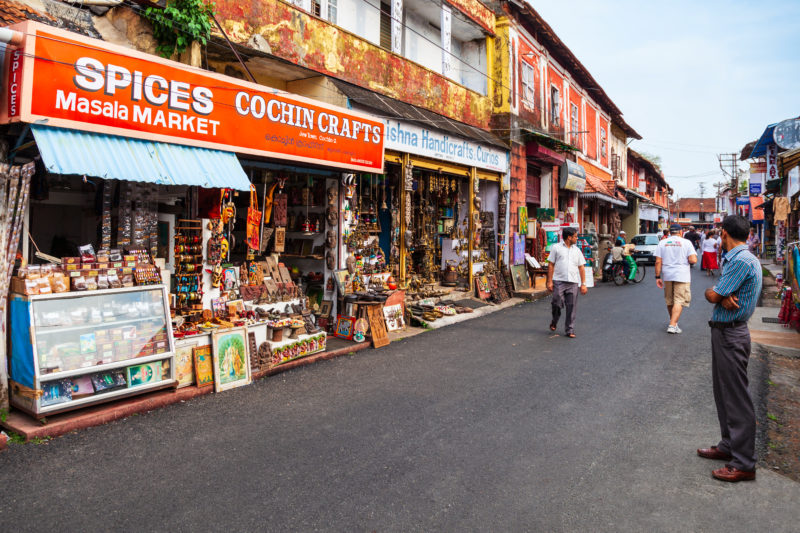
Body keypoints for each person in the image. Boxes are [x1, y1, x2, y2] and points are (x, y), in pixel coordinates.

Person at [700, 215, 763, 482]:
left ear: (724, 233)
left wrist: (717, 294)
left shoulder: (739, 260)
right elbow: (719, 295)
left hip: (731, 333)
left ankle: (744, 463)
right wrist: (720, 294)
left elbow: (713, 295)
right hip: (727, 332)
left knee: (736, 398)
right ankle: (729, 446)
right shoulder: (743, 258)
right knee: (724, 393)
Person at [654, 223, 698, 333]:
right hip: (682, 274)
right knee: (679, 300)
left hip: (667, 274)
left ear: (670, 232)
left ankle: (674, 323)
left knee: (669, 300)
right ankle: (672, 325)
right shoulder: (686, 242)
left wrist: (657, 276)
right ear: (680, 232)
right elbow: (693, 260)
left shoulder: (662, 242)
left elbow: (658, 261)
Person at [546, 227, 588, 338]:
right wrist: (549, 281)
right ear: (569, 237)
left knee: (571, 306)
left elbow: (581, 267)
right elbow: (551, 264)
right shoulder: (556, 248)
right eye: (575, 236)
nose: (577, 238)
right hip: (559, 281)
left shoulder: (577, 250)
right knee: (556, 303)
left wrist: (583, 284)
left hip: (573, 282)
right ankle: (554, 320)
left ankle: (569, 329)